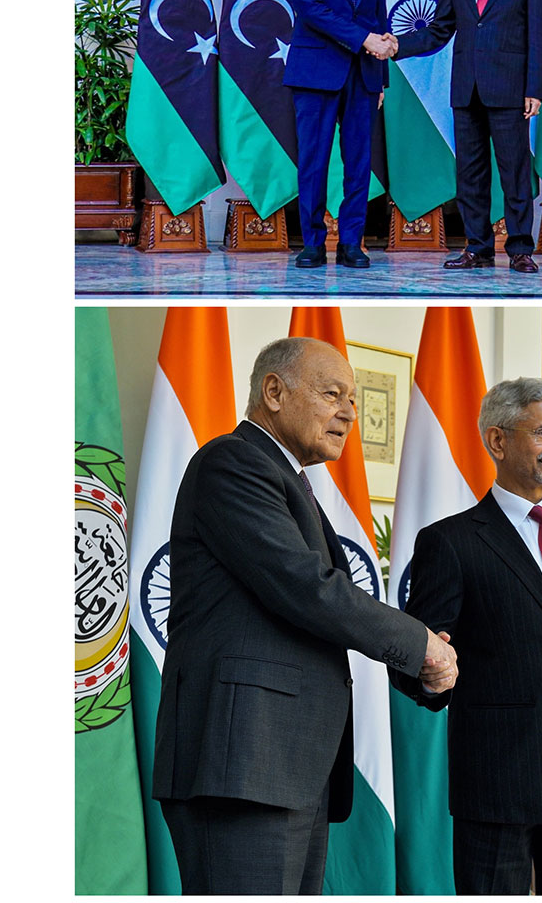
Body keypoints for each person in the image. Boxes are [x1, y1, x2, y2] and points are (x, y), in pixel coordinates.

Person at [152, 337, 458, 894]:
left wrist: (421, 660)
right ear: (274, 391)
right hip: (243, 765)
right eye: (332, 394)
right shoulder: (233, 463)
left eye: (354, 400)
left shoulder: (290, 480)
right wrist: (420, 645)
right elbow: (306, 589)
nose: (348, 412)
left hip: (283, 765)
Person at [391, 377, 542, 894]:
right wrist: (430, 678)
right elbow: (416, 652)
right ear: (497, 440)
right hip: (498, 784)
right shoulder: (450, 542)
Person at [394, 0, 542, 274]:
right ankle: (477, 248)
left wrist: (535, 90)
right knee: (470, 174)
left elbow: (539, 38)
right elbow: (437, 31)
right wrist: (396, 45)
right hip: (466, 93)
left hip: (511, 92)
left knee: (514, 172)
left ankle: (519, 249)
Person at [282, 0, 398, 269]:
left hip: (363, 76)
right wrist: (364, 39)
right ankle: (313, 242)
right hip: (315, 74)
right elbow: (312, 11)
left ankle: (352, 243)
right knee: (313, 160)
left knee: (358, 161)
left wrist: (380, 77)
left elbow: (379, 20)